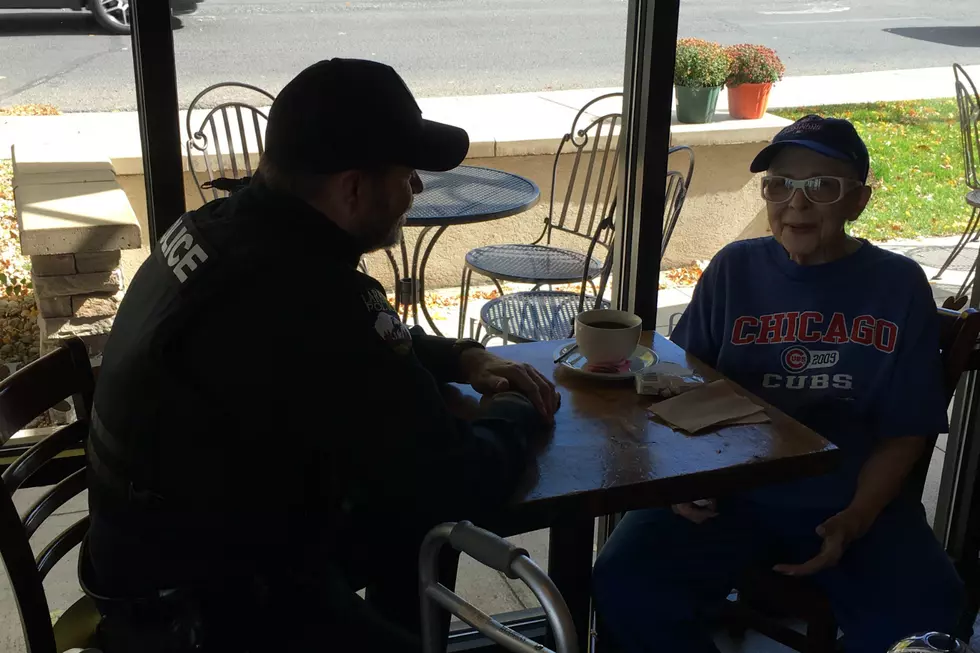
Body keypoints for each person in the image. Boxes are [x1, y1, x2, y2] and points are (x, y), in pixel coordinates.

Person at [84, 59, 560, 652]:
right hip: (201, 613)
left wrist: (462, 358)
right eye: (408, 173)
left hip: (154, 552)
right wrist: (514, 408)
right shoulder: (306, 293)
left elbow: (341, 352)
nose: (416, 189)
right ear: (353, 187)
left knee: (408, 521)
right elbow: (455, 477)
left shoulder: (220, 227)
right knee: (427, 504)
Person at [592, 115, 965, 653]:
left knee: (930, 611)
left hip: (847, 498)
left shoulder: (897, 284)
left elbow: (906, 429)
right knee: (627, 579)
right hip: (730, 495)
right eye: (780, 184)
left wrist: (857, 518)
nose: (797, 202)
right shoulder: (733, 269)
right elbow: (678, 386)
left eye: (823, 187)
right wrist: (683, 480)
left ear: (857, 202)